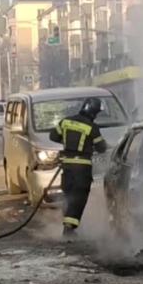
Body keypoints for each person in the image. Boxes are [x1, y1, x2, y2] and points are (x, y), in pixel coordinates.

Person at [49, 97, 107, 237]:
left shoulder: (66, 121)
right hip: (82, 169)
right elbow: (101, 148)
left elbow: (53, 136)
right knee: (79, 197)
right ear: (93, 112)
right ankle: (69, 229)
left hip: (67, 166)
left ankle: (69, 226)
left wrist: (68, 141)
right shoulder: (92, 128)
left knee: (69, 195)